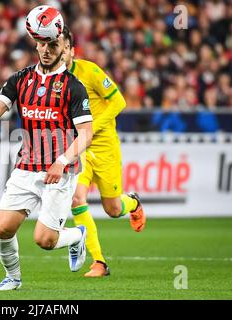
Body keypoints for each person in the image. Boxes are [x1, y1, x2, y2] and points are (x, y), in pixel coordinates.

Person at [0, 27, 94, 291]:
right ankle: (13, 278)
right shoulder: (20, 79)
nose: (47, 49)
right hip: (27, 166)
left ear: (65, 48)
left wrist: (62, 161)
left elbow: (86, 134)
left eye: (54, 45)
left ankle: (76, 236)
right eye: (43, 44)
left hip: (60, 171)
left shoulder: (74, 88)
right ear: (36, 45)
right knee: (3, 228)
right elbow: (0, 103)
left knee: (45, 241)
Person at [61, 26, 146, 278]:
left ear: (71, 51)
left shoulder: (90, 71)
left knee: (112, 209)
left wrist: (93, 128)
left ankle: (133, 202)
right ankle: (99, 262)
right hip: (80, 148)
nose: (60, 53)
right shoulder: (55, 81)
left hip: (105, 146)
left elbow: (119, 101)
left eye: (64, 49)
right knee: (77, 199)